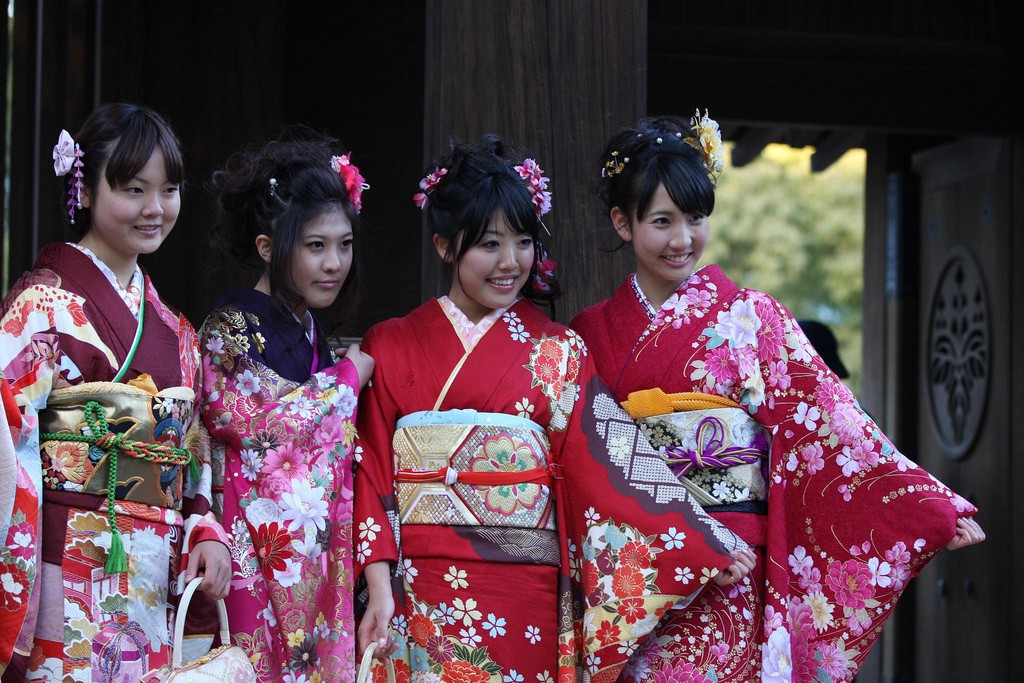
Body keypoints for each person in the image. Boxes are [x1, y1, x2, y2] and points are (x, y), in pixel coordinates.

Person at [570, 111, 985, 681]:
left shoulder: (751, 317)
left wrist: (923, 507)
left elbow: (831, 425)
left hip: (737, 568)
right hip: (643, 574)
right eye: (662, 221)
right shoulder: (588, 335)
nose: (683, 239)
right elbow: (589, 464)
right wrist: (686, 538)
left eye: (695, 218)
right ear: (623, 223)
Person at [354, 136, 756, 682]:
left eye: (523, 242)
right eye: (489, 245)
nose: (510, 263)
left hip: (525, 594)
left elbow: (608, 467)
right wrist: (378, 584)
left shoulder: (559, 350)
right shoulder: (391, 343)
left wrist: (700, 541)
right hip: (415, 585)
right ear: (445, 246)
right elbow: (370, 466)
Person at [0, 103, 230, 682]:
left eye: (170, 190)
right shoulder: (42, 308)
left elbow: (192, 445)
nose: (156, 209)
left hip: (153, 563)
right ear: (85, 184)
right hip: (65, 554)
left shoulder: (176, 330)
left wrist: (202, 522)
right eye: (134, 189)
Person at [199, 129, 374, 681]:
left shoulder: (312, 330)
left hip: (307, 554)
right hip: (248, 546)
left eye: (344, 244)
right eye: (316, 246)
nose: (334, 264)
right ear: (268, 247)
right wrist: (347, 379)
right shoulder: (230, 330)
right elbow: (262, 433)